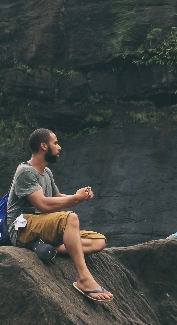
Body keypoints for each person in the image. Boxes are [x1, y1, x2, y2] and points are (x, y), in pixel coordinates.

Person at [6, 128, 113, 302]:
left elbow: (56, 197)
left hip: (41, 224)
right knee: (70, 218)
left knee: (99, 241)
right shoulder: (25, 171)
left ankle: (47, 246)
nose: (59, 147)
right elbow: (42, 204)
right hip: (22, 226)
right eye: (55, 143)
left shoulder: (46, 172)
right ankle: (84, 279)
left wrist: (79, 197)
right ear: (43, 146)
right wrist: (75, 200)